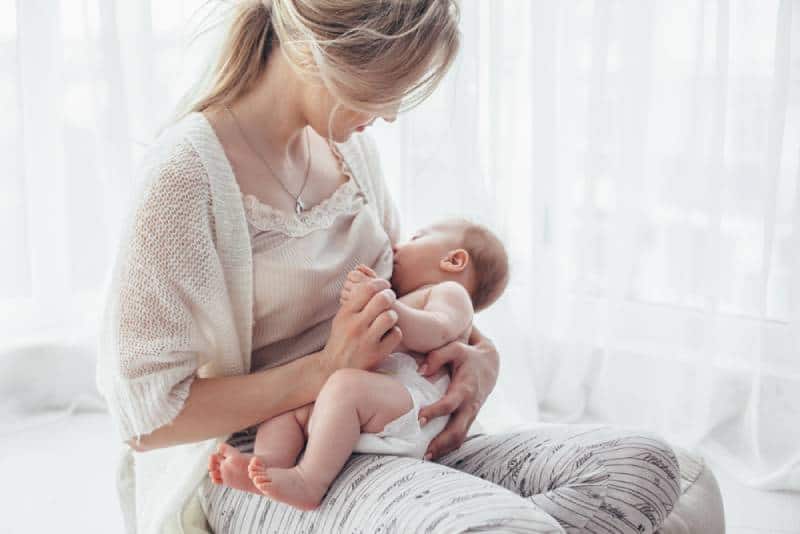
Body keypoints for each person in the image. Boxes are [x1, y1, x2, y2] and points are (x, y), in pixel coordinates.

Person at [96, 1, 722, 533]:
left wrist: (480, 357)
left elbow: (410, 292)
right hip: (273, 460)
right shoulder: (186, 178)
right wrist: (325, 371)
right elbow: (147, 419)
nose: (391, 113)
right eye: (389, 86)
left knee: (649, 466)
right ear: (327, 52)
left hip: (396, 424)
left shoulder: (349, 149)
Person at [207, 219, 509, 510]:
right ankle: (267, 465)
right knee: (288, 409)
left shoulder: (451, 295)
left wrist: (387, 305)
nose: (397, 246)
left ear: (454, 260)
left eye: (416, 237)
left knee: (345, 387)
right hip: (374, 405)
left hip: (416, 407)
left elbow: (436, 330)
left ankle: (309, 481)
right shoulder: (412, 296)